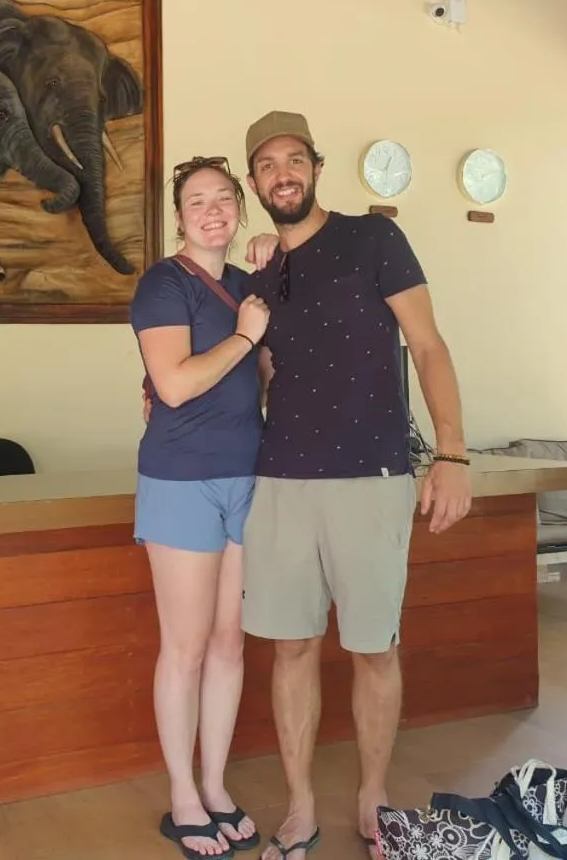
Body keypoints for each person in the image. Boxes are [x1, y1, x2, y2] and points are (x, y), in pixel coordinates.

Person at [238, 111, 474, 860]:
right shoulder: (259, 270)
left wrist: (453, 455)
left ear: (315, 167)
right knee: (293, 649)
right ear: (255, 182)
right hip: (279, 481)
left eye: (295, 158)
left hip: (371, 477)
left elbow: (430, 347)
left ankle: (374, 793)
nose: (284, 172)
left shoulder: (374, 239)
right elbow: (261, 374)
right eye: (269, 163)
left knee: (374, 649)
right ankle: (301, 803)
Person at [130, 154, 279, 860]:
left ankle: (216, 786)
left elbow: (269, 379)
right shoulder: (163, 284)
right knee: (185, 648)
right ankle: (183, 796)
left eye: (225, 198)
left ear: (240, 210)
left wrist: (273, 260)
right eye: (197, 200)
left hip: (245, 479)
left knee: (228, 643)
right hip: (182, 480)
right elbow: (177, 384)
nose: (213, 209)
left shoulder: (252, 286)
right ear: (179, 216)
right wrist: (246, 337)